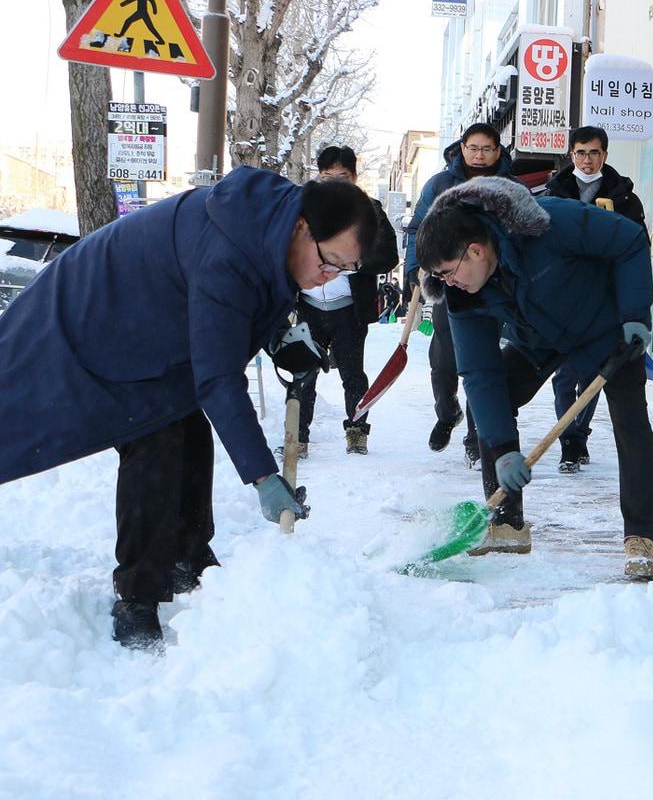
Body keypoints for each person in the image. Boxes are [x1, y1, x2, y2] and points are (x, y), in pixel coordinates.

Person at [0, 167, 378, 650]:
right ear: (303, 227)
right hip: (88, 323)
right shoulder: (230, 252)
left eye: (344, 270)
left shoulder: (271, 226)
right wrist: (263, 477)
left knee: (187, 428)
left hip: (148, 331)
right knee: (155, 435)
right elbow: (218, 377)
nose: (329, 279)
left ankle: (187, 558)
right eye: (330, 263)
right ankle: (138, 595)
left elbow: (244, 304)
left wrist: (277, 336)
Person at [415, 175, 653, 579]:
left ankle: (641, 537)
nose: (447, 284)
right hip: (538, 338)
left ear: (474, 250)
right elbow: (479, 372)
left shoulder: (551, 223)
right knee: (491, 404)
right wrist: (504, 448)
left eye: (446, 273)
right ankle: (506, 524)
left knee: (630, 421)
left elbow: (629, 241)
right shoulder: (462, 294)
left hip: (604, 329)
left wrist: (635, 314)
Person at [404, 123, 520, 466]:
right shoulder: (440, 184)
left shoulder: (508, 186)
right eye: (473, 148)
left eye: (487, 149)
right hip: (449, 284)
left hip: (494, 288)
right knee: (443, 361)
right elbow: (418, 226)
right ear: (462, 148)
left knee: (481, 362)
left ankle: (476, 436)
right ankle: (447, 411)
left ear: (498, 151)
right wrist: (415, 267)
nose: (479, 155)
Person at [541, 126, 648, 474]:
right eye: (581, 153)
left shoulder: (625, 197)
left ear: (605, 155)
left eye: (594, 153)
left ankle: (577, 436)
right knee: (562, 377)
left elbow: (639, 248)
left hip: (606, 301)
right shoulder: (554, 194)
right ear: (571, 155)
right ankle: (568, 438)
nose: (587, 160)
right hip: (565, 300)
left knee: (592, 376)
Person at [288, 145, 399, 455]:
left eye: (342, 176)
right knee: (304, 373)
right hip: (308, 306)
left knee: (352, 373)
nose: (335, 183)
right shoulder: (300, 208)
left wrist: (353, 265)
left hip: (348, 309)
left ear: (354, 177)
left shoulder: (370, 210)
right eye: (327, 177)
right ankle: (297, 438)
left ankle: (357, 432)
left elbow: (388, 255)